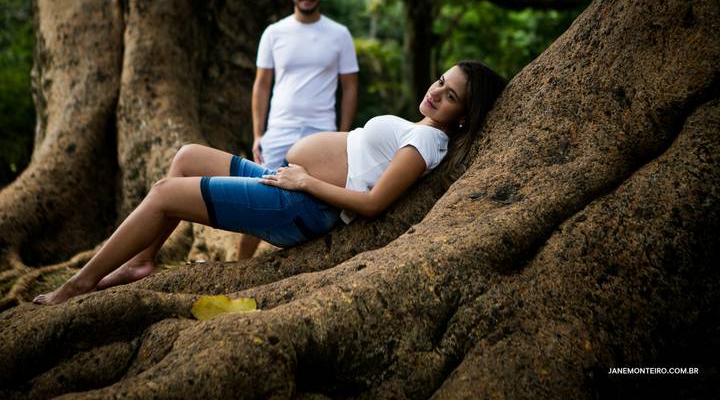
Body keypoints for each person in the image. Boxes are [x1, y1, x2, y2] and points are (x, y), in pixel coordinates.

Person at [33, 61, 506, 305]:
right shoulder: (423, 130)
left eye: (450, 96)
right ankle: (142, 262)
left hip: (301, 207)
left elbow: (372, 204)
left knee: (163, 195)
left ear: (464, 115)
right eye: (440, 81)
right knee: (186, 157)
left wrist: (304, 181)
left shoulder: (427, 145)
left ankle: (77, 286)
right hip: (287, 185)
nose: (436, 92)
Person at [243, 0, 359, 259]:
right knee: (256, 196)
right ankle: (240, 264)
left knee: (319, 202)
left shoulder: (340, 34)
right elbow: (261, 86)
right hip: (278, 130)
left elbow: (350, 87)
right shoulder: (274, 33)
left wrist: (343, 135)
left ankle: (319, 264)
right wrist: (258, 134)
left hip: (322, 133)